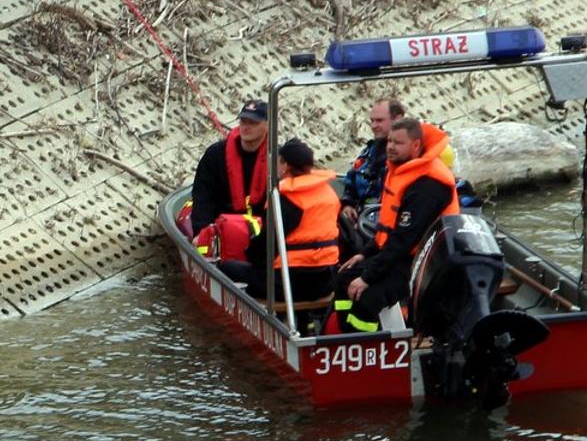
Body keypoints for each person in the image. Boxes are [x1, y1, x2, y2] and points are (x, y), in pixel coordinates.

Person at [332, 118, 459, 333]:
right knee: (343, 278)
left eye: (398, 143)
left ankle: (370, 350)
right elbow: (386, 228)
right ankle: (344, 337)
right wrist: (364, 254)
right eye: (389, 141)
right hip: (399, 256)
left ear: (416, 145)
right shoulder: (402, 171)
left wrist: (367, 277)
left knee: (368, 298)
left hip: (423, 263)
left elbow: (403, 241)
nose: (390, 147)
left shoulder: (428, 185)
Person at [241, 139, 344, 309]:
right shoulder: (329, 193)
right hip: (324, 281)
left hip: (287, 285)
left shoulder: (285, 199)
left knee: (228, 267)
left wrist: (249, 253)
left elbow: (265, 248)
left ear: (285, 166)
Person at [188, 100, 270, 264]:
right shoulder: (215, 154)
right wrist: (201, 232)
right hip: (222, 227)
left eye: (253, 123)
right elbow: (202, 195)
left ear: (268, 125)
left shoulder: (276, 158)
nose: (246, 127)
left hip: (262, 232)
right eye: (243, 121)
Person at [341, 98, 405, 213]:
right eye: (372, 121)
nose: (373, 126)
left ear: (398, 120)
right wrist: (348, 204)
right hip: (361, 218)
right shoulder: (369, 151)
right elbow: (351, 178)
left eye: (379, 120)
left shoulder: (408, 156)